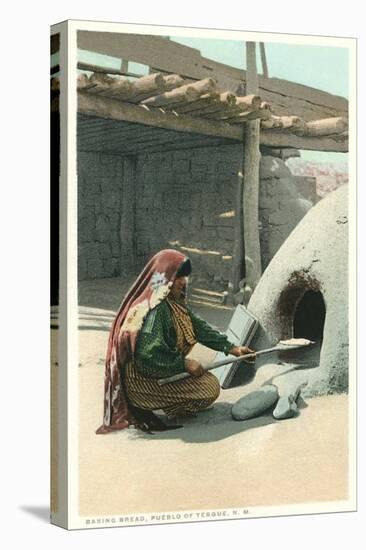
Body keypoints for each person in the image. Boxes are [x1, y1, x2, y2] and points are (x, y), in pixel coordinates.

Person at [96, 249, 254, 434]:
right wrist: (184, 364)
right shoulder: (155, 311)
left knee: (207, 383)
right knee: (209, 388)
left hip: (160, 372)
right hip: (142, 378)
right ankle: (154, 404)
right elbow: (148, 355)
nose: (183, 282)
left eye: (185, 277)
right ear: (165, 278)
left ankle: (169, 403)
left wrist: (232, 348)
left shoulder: (171, 303)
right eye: (179, 277)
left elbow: (199, 327)